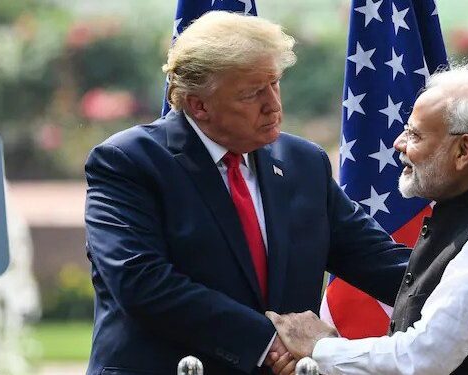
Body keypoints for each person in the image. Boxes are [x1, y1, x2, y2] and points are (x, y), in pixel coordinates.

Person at [83, 11, 409, 375]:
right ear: (199, 105)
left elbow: (380, 261)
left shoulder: (304, 164)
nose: (273, 104)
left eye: (275, 83)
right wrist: (268, 340)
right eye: (252, 93)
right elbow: (141, 283)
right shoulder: (129, 163)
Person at [266, 65, 468, 375]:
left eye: (414, 134)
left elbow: (422, 359)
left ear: (464, 150)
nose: (399, 143)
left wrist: (319, 345)